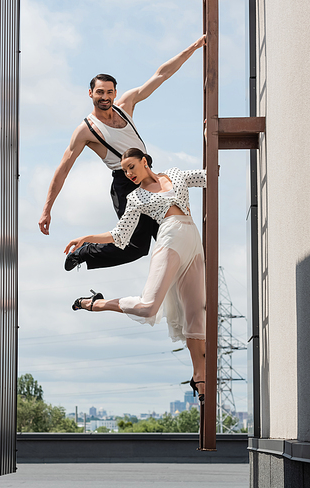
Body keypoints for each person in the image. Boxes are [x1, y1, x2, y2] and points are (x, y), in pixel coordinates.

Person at [38, 36, 205, 271]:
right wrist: (47, 210)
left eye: (109, 92)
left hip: (147, 175)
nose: (104, 97)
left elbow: (161, 75)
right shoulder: (86, 130)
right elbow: (63, 169)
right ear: (90, 93)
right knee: (136, 247)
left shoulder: (126, 106)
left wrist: (194, 47)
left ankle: (187, 286)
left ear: (115, 93)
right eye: (99, 92)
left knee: (171, 234)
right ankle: (86, 251)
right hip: (125, 183)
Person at [64, 148, 207, 400]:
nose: (128, 173)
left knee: (196, 314)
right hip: (170, 239)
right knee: (148, 308)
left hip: (194, 240)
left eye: (131, 166)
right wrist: (85, 237)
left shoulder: (175, 174)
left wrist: (210, 140)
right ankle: (97, 304)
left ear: (144, 161)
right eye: (125, 170)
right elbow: (119, 235)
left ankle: (200, 377)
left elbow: (209, 176)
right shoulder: (137, 198)